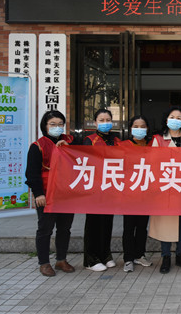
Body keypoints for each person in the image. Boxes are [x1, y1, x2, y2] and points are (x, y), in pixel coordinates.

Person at [149, 107, 181, 274]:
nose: (175, 120)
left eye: (179, 118)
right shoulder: (158, 139)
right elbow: (153, 163)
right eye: (172, 117)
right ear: (166, 119)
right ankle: (166, 257)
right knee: (166, 224)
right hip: (166, 187)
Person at [25, 110, 76, 277]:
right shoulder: (37, 146)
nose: (57, 127)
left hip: (67, 194)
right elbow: (32, 174)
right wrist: (38, 194)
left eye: (60, 124)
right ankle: (44, 262)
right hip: (47, 194)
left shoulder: (70, 141)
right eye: (52, 124)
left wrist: (69, 149)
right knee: (45, 229)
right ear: (45, 126)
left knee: (65, 229)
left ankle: (61, 259)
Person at [83, 108, 121, 272]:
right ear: (95, 123)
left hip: (110, 187)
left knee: (107, 223)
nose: (105, 123)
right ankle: (90, 259)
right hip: (94, 188)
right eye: (101, 120)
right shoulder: (89, 140)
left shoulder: (116, 140)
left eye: (108, 120)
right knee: (93, 223)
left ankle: (105, 255)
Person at [119, 115, 153, 273]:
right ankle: (128, 258)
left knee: (142, 227)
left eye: (143, 126)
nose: (139, 129)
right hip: (129, 193)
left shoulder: (152, 145)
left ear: (147, 128)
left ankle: (140, 254)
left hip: (146, 193)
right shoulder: (123, 145)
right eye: (136, 126)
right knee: (128, 227)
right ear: (131, 128)